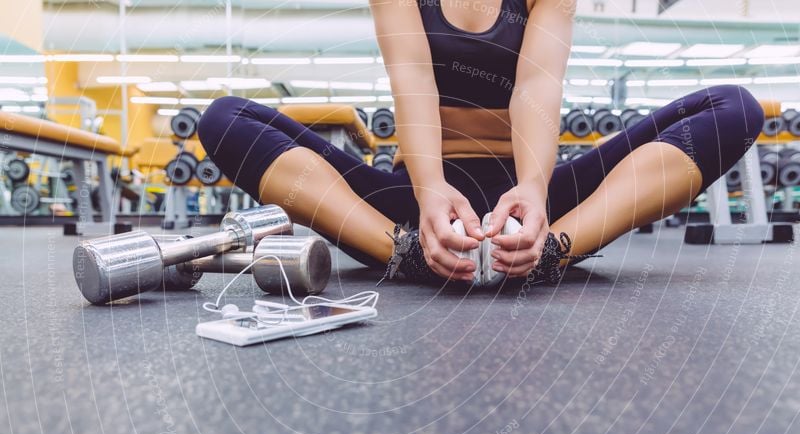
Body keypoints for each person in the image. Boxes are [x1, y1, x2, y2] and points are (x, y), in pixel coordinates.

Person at [197, 0, 764, 286]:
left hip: (531, 192)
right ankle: (403, 251)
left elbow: (536, 87)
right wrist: (431, 190)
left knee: (734, 108)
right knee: (224, 119)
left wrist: (535, 190)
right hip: (415, 199)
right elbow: (413, 79)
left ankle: (553, 250)